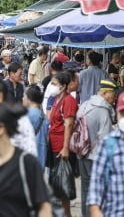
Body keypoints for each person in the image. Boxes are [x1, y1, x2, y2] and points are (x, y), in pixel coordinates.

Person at [76, 80, 117, 217]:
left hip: (82, 153)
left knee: (86, 189)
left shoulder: (85, 105)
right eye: (113, 94)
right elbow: (105, 140)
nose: (115, 97)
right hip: (96, 158)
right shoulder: (103, 111)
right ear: (105, 93)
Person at [48, 71, 78, 217]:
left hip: (62, 148)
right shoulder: (56, 99)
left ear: (64, 86)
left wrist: (66, 147)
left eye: (54, 84)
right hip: (54, 146)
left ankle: (66, 215)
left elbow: (69, 125)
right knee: (57, 187)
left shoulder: (68, 101)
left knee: (63, 187)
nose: (51, 86)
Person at [23, 85, 50, 169]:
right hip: (41, 158)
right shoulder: (44, 117)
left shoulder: (26, 115)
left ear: (29, 99)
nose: (22, 98)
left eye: (24, 96)